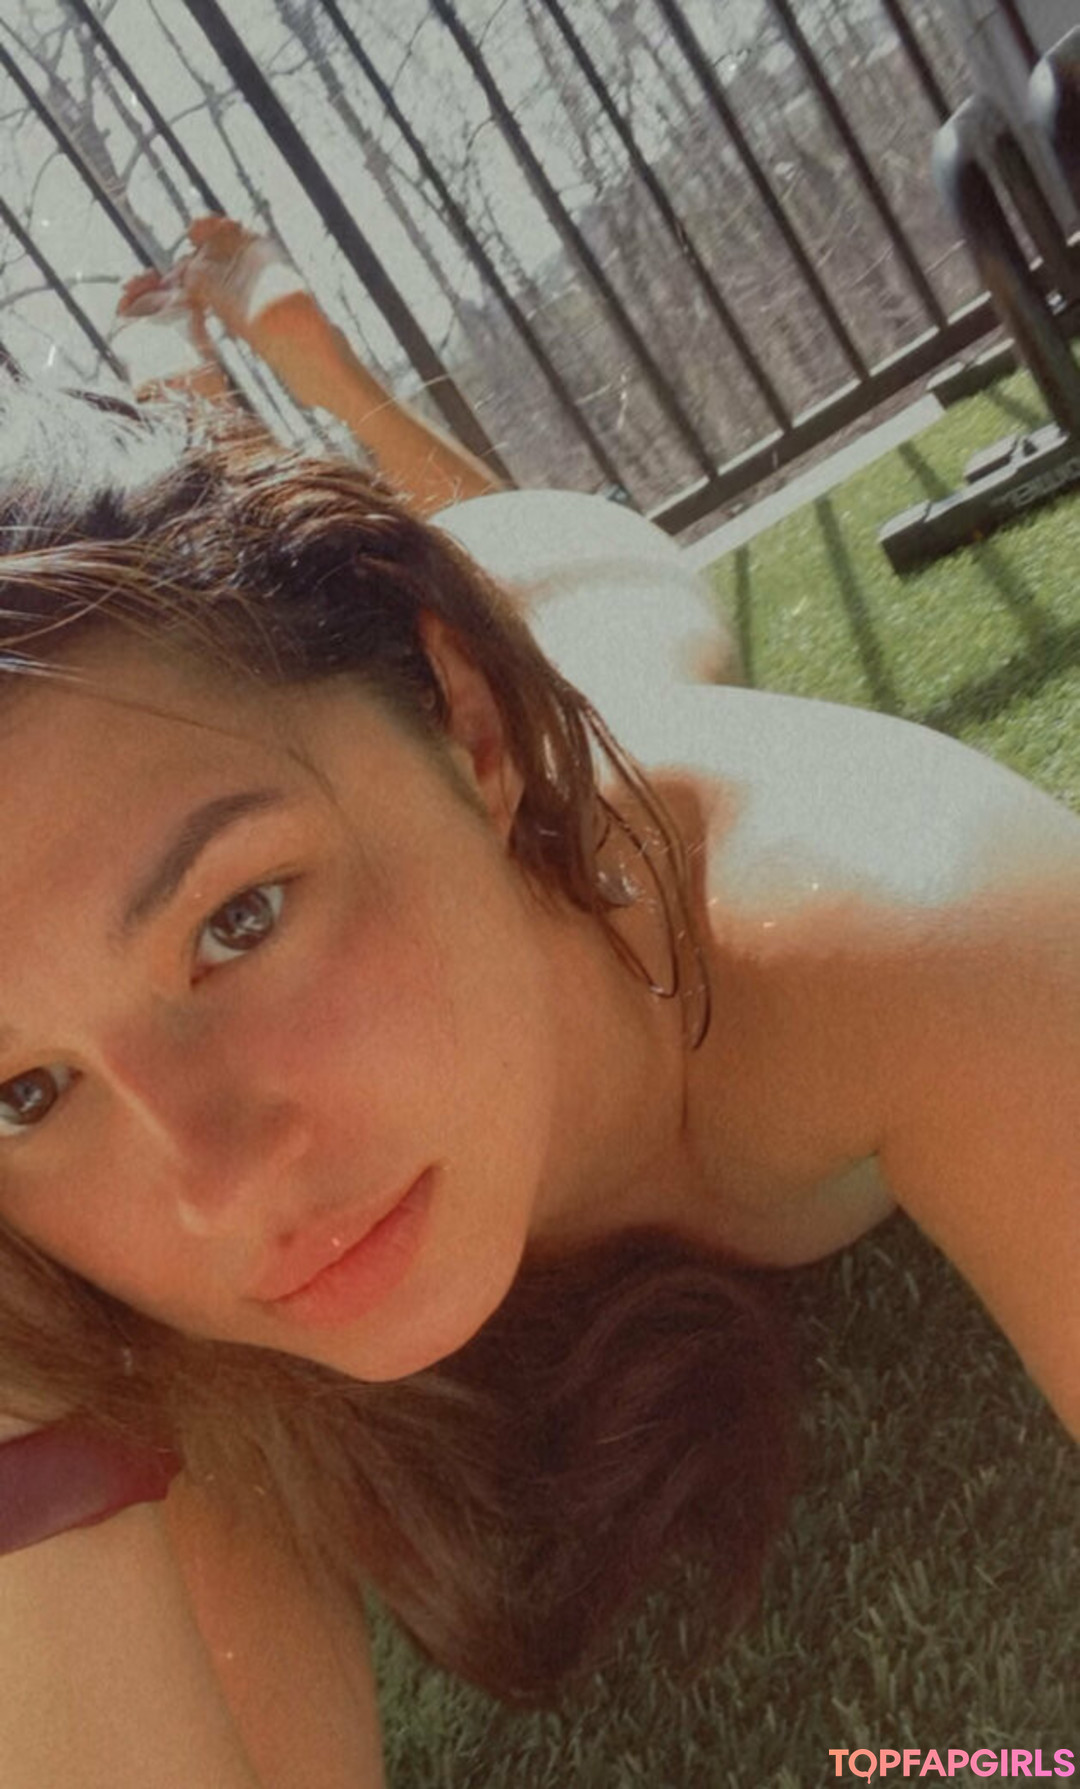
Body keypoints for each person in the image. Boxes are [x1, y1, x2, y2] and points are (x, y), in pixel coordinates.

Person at [0, 220, 1076, 1789]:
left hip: (585, 596)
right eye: (22, 1088)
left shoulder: (889, 910)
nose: (217, 1186)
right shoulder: (106, 1273)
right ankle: (201, 379)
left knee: (487, 549)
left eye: (238, 917)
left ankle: (292, 363)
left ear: (477, 736)